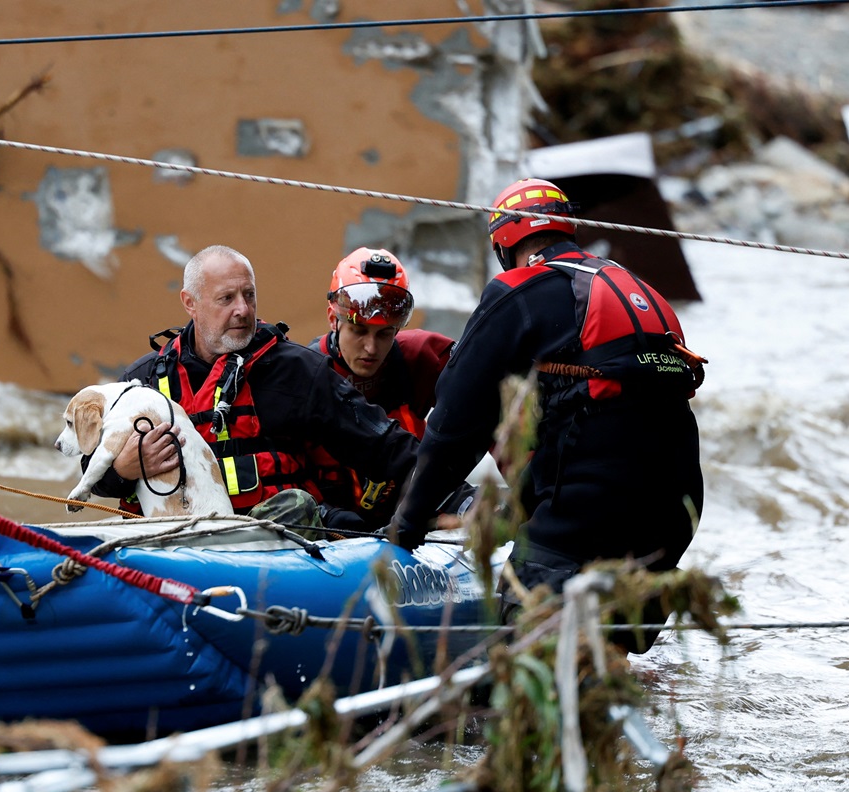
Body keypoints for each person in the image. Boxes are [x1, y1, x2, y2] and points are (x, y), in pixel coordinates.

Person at [388, 178, 704, 647]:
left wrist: (406, 526)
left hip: (590, 505)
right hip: (679, 508)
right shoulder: (634, 286)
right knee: (603, 660)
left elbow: (455, 421)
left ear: (504, 245)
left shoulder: (520, 290)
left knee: (527, 640)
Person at [92, 245, 419, 533]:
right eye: (227, 298)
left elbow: (384, 445)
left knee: (321, 514)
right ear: (190, 303)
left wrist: (456, 501)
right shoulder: (142, 379)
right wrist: (124, 469)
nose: (243, 309)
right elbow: (92, 471)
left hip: (273, 540)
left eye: (249, 295)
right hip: (167, 540)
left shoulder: (297, 370)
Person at [311, 248, 454, 520]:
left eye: (384, 334)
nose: (371, 348)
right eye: (359, 330)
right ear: (333, 319)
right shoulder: (306, 371)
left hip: (415, 520)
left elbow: (490, 407)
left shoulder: (421, 355)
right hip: (332, 532)